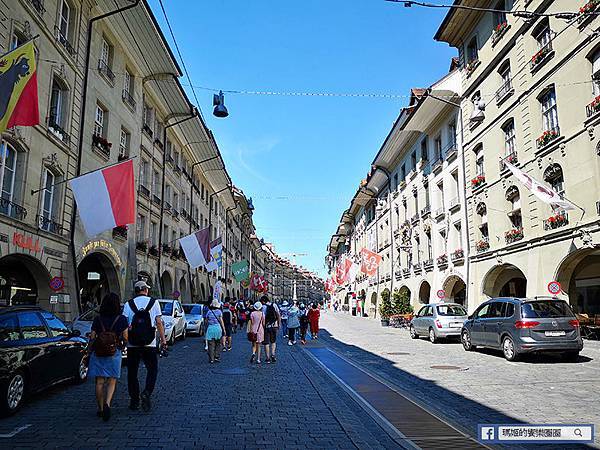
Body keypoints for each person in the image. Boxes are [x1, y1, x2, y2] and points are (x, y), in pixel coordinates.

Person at [122, 281, 167, 412]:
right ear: (145, 290)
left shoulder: (128, 304)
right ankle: (147, 392)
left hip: (132, 344)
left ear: (135, 291)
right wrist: (163, 340)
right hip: (150, 343)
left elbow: (125, 325)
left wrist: (124, 341)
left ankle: (134, 400)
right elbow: (159, 323)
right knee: (152, 370)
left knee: (132, 373)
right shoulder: (154, 303)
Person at [87, 293, 128, 421]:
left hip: (98, 352)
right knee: (112, 380)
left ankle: (100, 408)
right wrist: (122, 344)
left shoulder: (98, 319)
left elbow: (92, 336)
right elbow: (126, 337)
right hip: (114, 351)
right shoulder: (121, 319)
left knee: (99, 382)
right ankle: (107, 404)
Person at [261, 296, 281, 363]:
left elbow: (262, 318)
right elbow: (278, 315)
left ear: (263, 301)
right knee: (273, 341)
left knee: (266, 342)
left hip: (266, 326)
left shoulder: (263, 307)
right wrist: (279, 324)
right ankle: (273, 354)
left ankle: (267, 358)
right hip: (274, 325)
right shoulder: (274, 305)